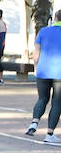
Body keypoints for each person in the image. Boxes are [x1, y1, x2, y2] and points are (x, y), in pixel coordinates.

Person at [26, 9, 61, 144]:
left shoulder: (43, 31)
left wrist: (36, 67)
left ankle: (34, 123)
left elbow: (36, 52)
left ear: (55, 18)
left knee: (42, 99)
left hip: (43, 71)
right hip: (59, 73)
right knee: (57, 102)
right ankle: (50, 133)